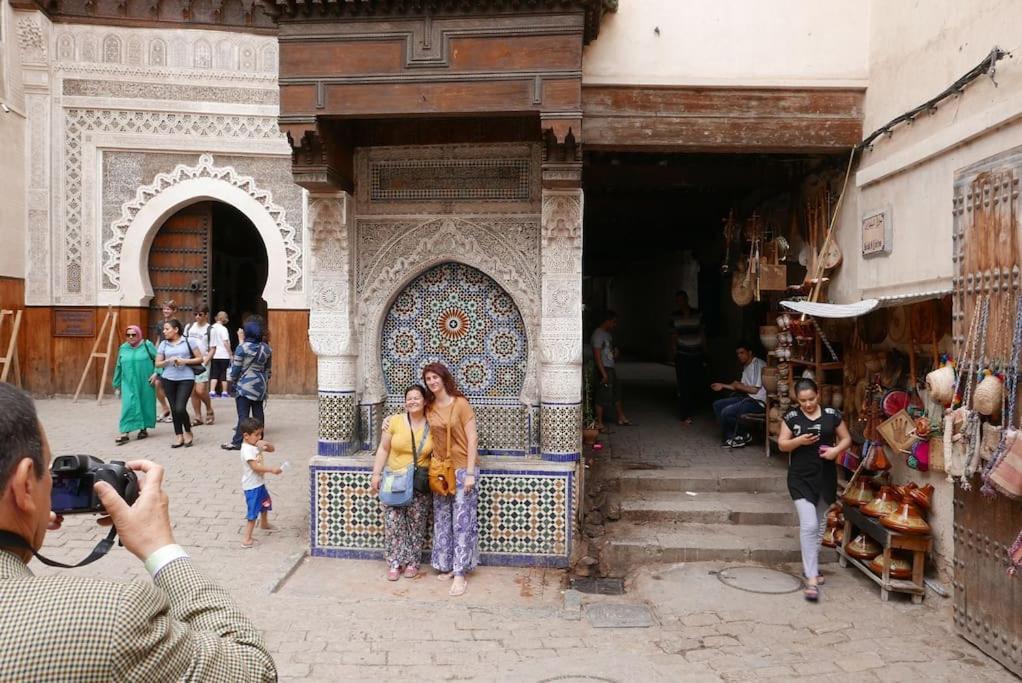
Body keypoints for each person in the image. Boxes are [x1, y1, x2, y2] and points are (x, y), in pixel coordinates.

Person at [0, 383, 277, 680]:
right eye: (49, 473)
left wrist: (21, 527)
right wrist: (161, 549)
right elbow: (254, 671)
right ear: (26, 484)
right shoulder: (105, 618)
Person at [777, 378, 851, 602]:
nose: (807, 404)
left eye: (811, 399)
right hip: (800, 478)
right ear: (797, 400)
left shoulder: (831, 414)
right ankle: (810, 579)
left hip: (825, 477)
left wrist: (835, 451)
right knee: (809, 525)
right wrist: (799, 441)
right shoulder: (791, 417)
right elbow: (782, 444)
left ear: (818, 395)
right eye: (802, 401)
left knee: (819, 525)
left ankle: (813, 567)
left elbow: (846, 438)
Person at [423, 363, 479, 597]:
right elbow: (411, 420)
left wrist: (468, 473)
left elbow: (473, 437)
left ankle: (460, 574)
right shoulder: (430, 407)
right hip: (440, 470)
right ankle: (446, 566)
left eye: (435, 377)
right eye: (428, 379)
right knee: (443, 520)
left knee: (462, 522)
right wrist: (388, 423)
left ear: (444, 378)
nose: (432, 382)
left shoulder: (460, 404)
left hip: (461, 469)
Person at [370, 385, 433, 581]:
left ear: (424, 401)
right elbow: (383, 449)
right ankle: (395, 562)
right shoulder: (394, 422)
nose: (412, 401)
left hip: (418, 481)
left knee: (416, 522)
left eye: (417, 398)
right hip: (394, 479)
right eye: (409, 398)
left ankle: (413, 561)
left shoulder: (432, 424)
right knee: (393, 522)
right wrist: (376, 474)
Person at [222, 319, 272, 452]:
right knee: (258, 413)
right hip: (260, 385)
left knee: (243, 415)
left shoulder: (242, 348)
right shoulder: (266, 348)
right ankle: (259, 439)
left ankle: (238, 442)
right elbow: (268, 369)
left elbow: (236, 368)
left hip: (245, 385)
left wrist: (233, 380)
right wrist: (263, 382)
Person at [154, 318, 203, 448]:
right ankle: (178, 435)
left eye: (167, 329)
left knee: (180, 407)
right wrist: (168, 360)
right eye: (163, 329)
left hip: (186, 378)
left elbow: (200, 358)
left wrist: (184, 361)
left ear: (176, 330)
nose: (164, 331)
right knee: (174, 408)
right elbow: (157, 363)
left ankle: (187, 430)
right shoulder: (163, 344)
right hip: (168, 378)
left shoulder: (189, 341)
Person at [710, 341, 767, 448]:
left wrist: (738, 385)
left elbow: (754, 390)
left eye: (742, 353)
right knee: (718, 404)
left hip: (758, 402)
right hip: (748, 398)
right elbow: (739, 386)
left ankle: (743, 435)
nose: (739, 356)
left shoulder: (757, 364)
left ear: (749, 353)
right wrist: (722, 385)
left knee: (727, 412)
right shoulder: (746, 366)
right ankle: (732, 437)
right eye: (738, 354)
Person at [238, 417, 282, 549]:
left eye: (260, 434)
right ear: (246, 436)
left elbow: (272, 449)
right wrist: (271, 470)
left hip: (259, 483)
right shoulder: (247, 450)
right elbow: (255, 467)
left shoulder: (254, 445)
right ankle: (246, 538)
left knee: (265, 503)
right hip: (252, 486)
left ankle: (264, 523)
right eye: (256, 434)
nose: (259, 437)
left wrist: (265, 443)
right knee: (253, 512)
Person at [112, 325, 158, 445]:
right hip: (128, 382)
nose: (131, 337)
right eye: (128, 335)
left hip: (145, 381)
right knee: (128, 406)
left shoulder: (147, 345)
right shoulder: (123, 348)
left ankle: (143, 429)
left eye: (134, 334)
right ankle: (125, 432)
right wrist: (116, 384)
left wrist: (156, 373)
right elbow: (118, 366)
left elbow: (159, 359)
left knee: (145, 404)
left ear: (139, 334)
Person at [669, 290, 705, 425]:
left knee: (695, 383)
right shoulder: (674, 316)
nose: (680, 302)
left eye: (682, 299)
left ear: (686, 300)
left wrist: (705, 350)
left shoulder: (697, 314)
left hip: (696, 354)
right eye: (677, 300)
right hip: (682, 354)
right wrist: (674, 353)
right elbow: (673, 336)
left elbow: (702, 333)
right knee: (683, 385)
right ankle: (685, 414)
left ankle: (692, 408)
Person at [591, 310, 631, 430]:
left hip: (610, 367)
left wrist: (615, 354)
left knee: (616, 392)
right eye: (613, 322)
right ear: (607, 321)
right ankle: (599, 422)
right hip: (603, 368)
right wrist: (603, 374)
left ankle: (621, 417)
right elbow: (597, 356)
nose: (615, 325)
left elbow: (608, 353)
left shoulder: (608, 335)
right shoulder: (597, 335)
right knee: (602, 395)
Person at [185, 305, 216, 426]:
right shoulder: (189, 327)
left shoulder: (210, 330)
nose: (197, 317)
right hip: (190, 361)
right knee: (193, 390)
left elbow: (213, 348)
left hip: (203, 361)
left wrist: (205, 361)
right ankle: (198, 416)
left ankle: (208, 408)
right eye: (195, 314)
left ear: (206, 315)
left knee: (200, 389)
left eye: (200, 314)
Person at [153, 300, 177, 423]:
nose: (165, 311)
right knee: (157, 383)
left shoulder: (177, 324)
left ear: (174, 310)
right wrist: (156, 354)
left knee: (170, 386)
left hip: (172, 356)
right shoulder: (160, 323)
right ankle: (165, 408)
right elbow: (158, 339)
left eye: (168, 309)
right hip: (162, 356)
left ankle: (175, 411)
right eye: (164, 309)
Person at [210, 311, 232, 398]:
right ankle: (224, 392)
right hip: (223, 354)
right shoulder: (223, 329)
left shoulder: (211, 328)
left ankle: (212, 391)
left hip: (214, 354)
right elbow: (225, 342)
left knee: (214, 373)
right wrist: (230, 353)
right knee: (223, 373)